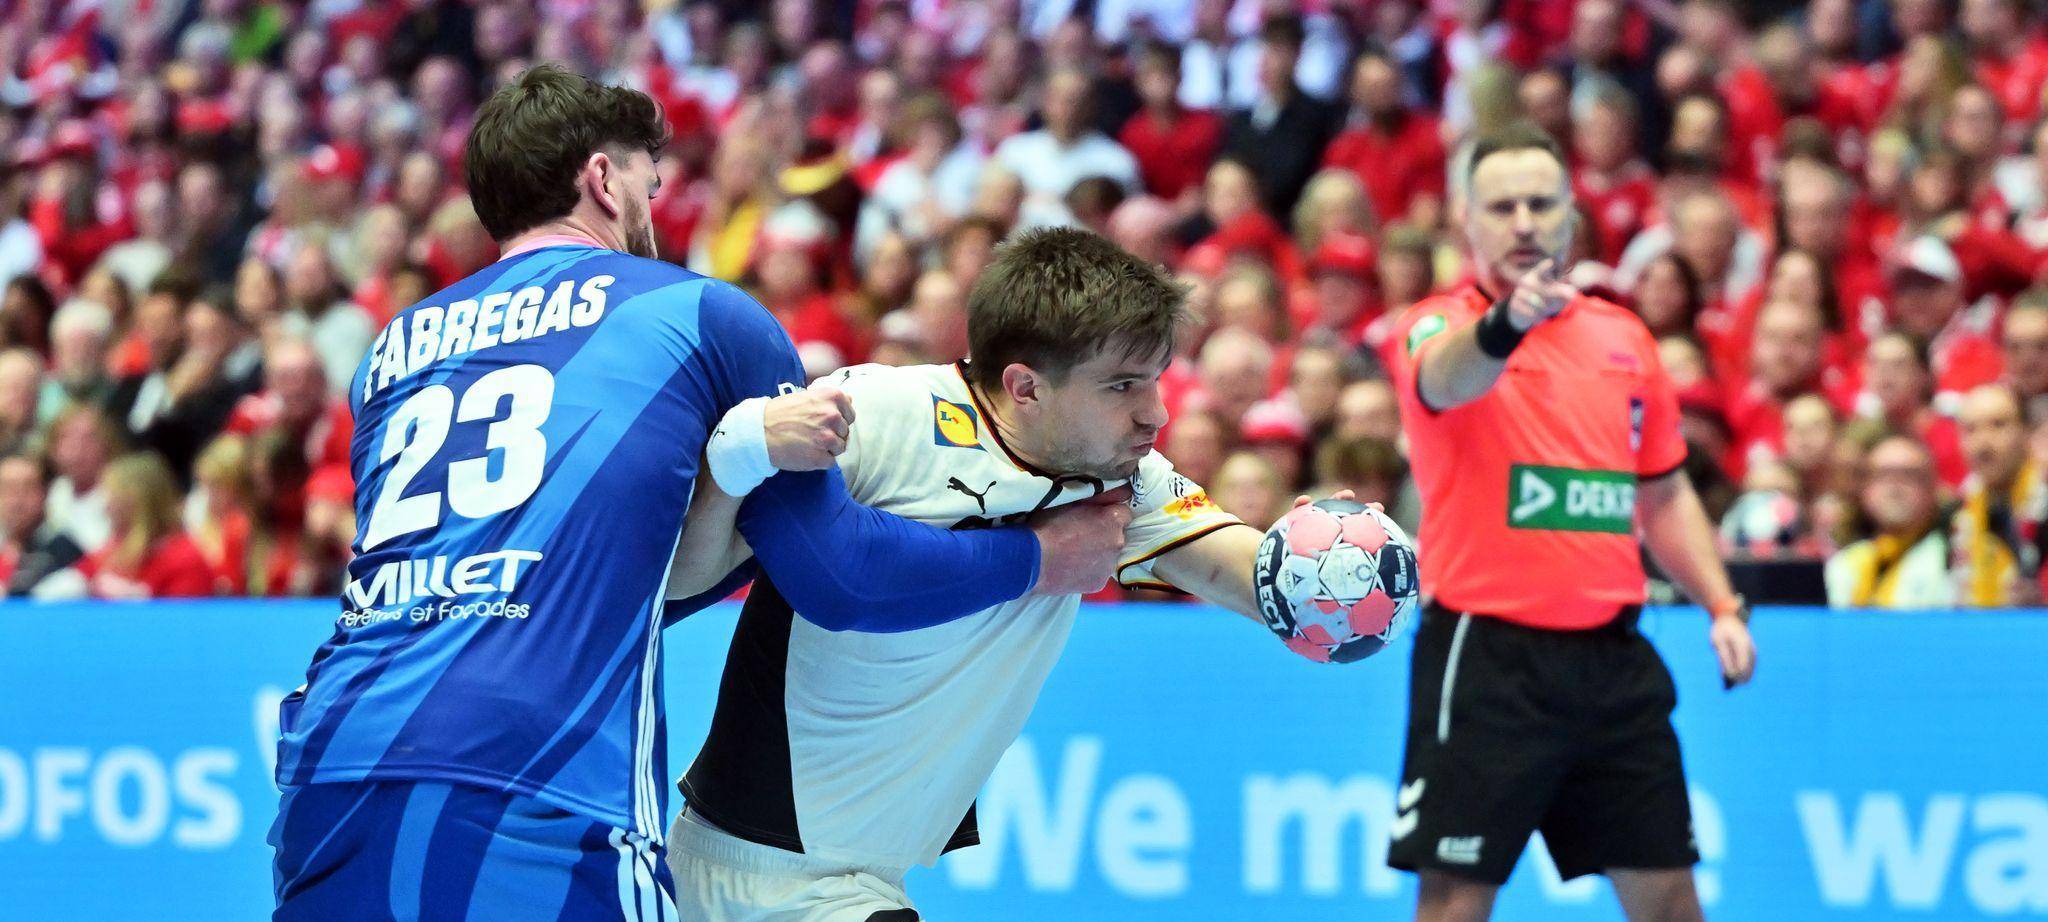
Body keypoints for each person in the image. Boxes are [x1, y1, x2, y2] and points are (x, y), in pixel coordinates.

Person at [269, 67, 1129, 922]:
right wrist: (1041, 556)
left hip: (333, 759)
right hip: (537, 772)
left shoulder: (393, 348)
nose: (656, 196)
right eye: (649, 174)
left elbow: (543, 571)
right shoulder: (700, 314)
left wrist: (728, 476)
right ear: (602, 179)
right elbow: (840, 578)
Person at [661, 228, 1347, 921]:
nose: (1155, 412)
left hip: (863, 880)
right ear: (1025, 387)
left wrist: (1318, 564)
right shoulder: (876, 415)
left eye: (1157, 378)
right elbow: (705, 581)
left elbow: (1255, 578)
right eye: (1122, 385)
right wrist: (1040, 560)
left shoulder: (1118, 479)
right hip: (758, 866)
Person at [1386, 125, 1757, 922]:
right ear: (1466, 221)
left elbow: (1660, 493)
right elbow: (1445, 380)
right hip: (1486, 658)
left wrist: (1721, 604)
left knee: (1668, 900)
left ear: (1569, 216)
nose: (1523, 221)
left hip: (1612, 661)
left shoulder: (1624, 338)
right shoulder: (1435, 324)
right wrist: (1506, 325)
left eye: (1540, 204)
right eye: (1502, 206)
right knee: (1453, 904)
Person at [1824, 434, 1956, 607]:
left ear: (1932, 487)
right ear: (1865, 487)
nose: (1895, 485)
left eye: (1908, 475)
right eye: (1883, 474)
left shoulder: (1952, 559)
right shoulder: (1842, 565)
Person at [1950, 383, 2044, 605]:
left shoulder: (2043, 507)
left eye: (1998, 425)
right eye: (1970, 429)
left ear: (2025, 432)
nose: (1983, 443)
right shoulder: (1952, 516)